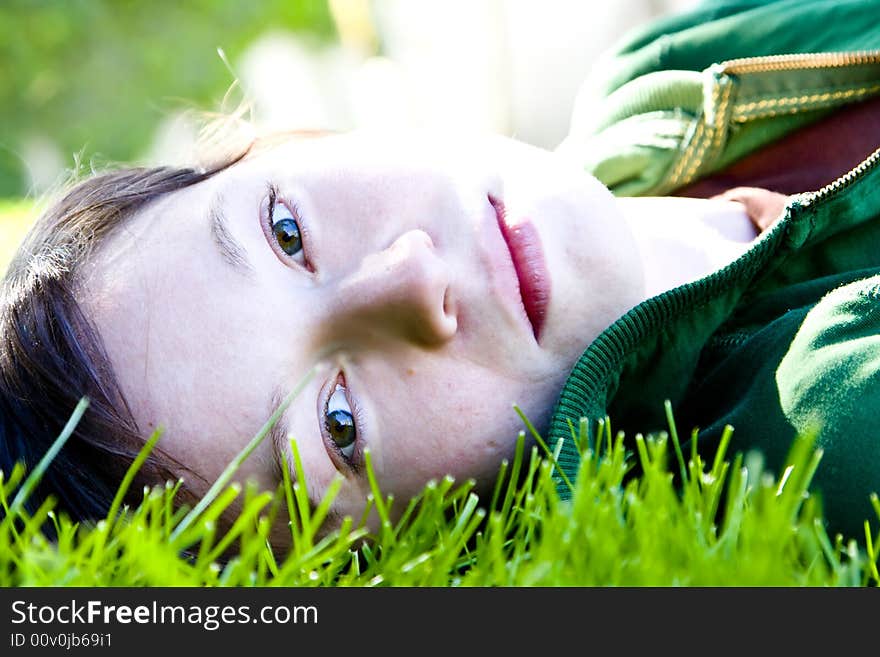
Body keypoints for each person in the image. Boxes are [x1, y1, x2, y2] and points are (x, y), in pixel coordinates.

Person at [2, 0, 879, 548]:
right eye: (340, 424)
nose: (412, 278)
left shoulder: (660, 75)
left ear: (291, 140)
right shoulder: (825, 432)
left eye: (286, 230)